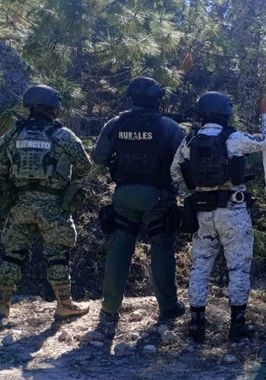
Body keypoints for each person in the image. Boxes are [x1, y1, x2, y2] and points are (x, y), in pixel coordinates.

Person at [171, 92, 266, 343]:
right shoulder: (235, 138)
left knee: (199, 268)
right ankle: (237, 328)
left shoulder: (189, 141)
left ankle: (197, 327)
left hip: (202, 213)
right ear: (225, 112)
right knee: (238, 268)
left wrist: (196, 188)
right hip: (233, 211)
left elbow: (175, 172)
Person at [92, 77, 186, 332]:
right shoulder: (168, 125)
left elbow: (98, 157)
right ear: (157, 99)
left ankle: (109, 310)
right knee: (162, 248)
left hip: (123, 194)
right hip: (157, 195)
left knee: (119, 250)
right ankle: (168, 308)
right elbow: (186, 159)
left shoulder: (116, 123)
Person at [0, 84, 92, 323]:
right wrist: (66, 184)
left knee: (11, 255)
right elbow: (85, 167)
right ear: (53, 110)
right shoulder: (62, 135)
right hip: (53, 207)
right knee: (57, 255)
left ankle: (2, 308)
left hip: (19, 206)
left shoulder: (12, 134)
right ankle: (64, 305)